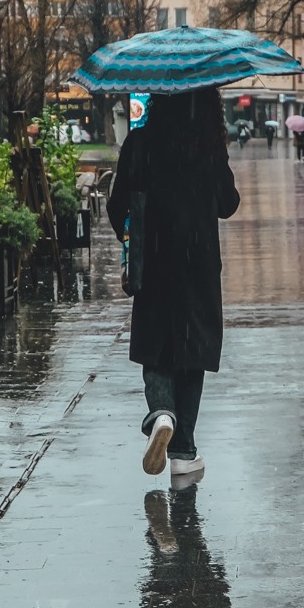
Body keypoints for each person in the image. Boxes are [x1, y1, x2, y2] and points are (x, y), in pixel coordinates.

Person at [107, 89, 241, 477]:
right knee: (192, 350)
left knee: (156, 345)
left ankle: (161, 413)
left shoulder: (140, 142)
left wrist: (130, 241)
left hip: (153, 258)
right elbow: (228, 204)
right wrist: (217, 158)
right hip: (197, 262)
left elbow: (118, 205)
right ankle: (183, 450)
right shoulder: (207, 145)